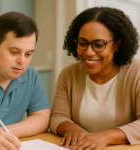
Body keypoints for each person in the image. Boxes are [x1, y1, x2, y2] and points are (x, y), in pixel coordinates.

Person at [50, 7, 140, 150]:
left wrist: (106, 137)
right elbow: (58, 116)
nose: (89, 52)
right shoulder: (69, 73)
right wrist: (71, 128)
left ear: (117, 44)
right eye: (82, 43)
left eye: (99, 45)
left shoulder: (137, 72)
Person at [0, 12, 50, 150]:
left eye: (28, 54)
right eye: (14, 52)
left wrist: (0, 133)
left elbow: (41, 117)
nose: (22, 61)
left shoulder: (30, 75)